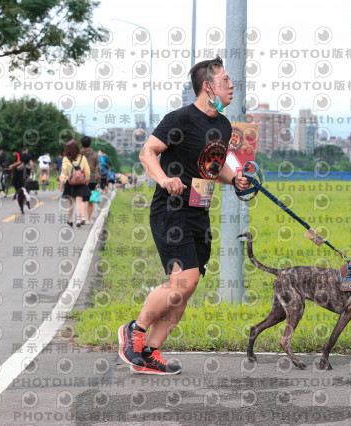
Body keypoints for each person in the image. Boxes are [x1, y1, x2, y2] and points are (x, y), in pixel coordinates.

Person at [117, 56, 250, 375]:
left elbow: (212, 167)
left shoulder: (223, 125)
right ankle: (133, 332)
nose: (232, 86)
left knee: (188, 287)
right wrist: (163, 179)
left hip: (198, 211)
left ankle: (151, 352)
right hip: (171, 209)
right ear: (209, 86)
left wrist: (236, 179)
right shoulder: (180, 119)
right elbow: (147, 152)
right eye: (226, 80)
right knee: (183, 280)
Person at [59, 140, 91, 227]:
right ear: (77, 148)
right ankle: (78, 221)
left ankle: (70, 220)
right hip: (81, 182)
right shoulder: (82, 157)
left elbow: (63, 171)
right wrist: (87, 179)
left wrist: (62, 181)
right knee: (79, 202)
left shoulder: (66, 158)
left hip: (70, 182)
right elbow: (87, 170)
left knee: (71, 203)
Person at [80, 136, 101, 224]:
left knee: (82, 199)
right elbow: (98, 168)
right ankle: (88, 219)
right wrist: (98, 181)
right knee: (90, 200)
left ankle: (82, 217)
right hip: (92, 179)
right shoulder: (95, 154)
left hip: (80, 179)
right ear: (90, 143)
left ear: (81, 143)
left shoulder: (78, 154)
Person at [8, 147, 31, 213]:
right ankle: (24, 202)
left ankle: (19, 194)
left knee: (15, 183)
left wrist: (12, 165)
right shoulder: (21, 156)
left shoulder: (18, 155)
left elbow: (19, 162)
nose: (12, 154)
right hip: (20, 174)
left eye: (13, 153)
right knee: (19, 185)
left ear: (15, 152)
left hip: (19, 173)